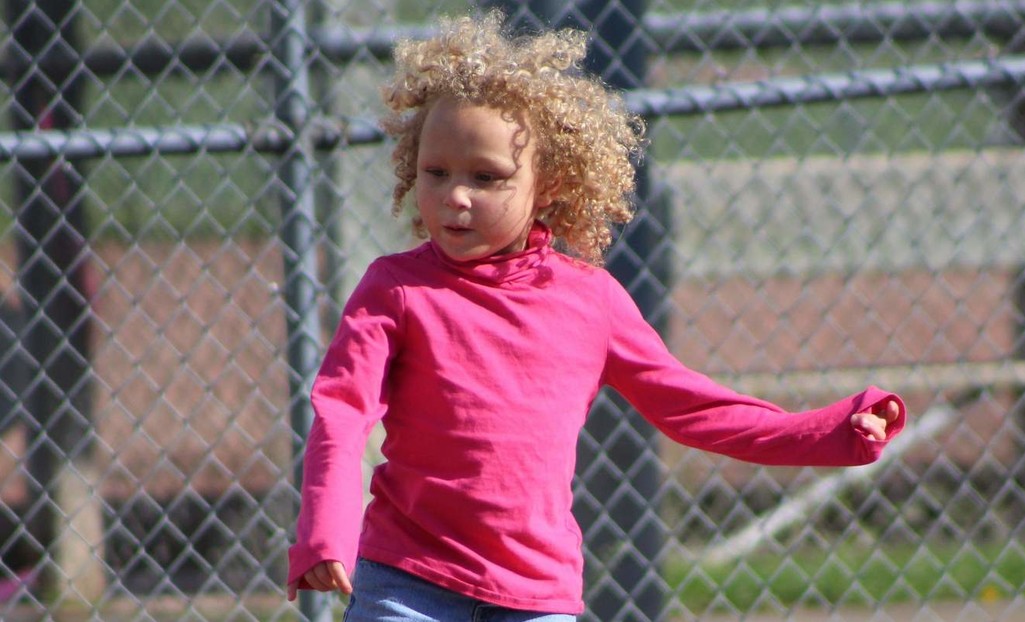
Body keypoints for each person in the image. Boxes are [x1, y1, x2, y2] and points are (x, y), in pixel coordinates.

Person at [287, 10, 906, 621]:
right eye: (436, 171)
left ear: (548, 184)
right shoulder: (394, 288)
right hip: (407, 583)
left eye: (487, 176)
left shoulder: (591, 299)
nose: (456, 195)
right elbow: (343, 414)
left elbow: (697, 410)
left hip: (536, 595)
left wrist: (835, 431)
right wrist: (325, 531)